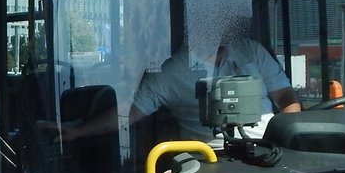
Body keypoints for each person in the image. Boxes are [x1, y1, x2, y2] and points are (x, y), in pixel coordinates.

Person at [56, 36, 300, 146]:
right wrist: (78, 131)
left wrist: (289, 139)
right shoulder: (170, 71)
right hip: (210, 159)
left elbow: (286, 98)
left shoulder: (251, 50)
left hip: (268, 151)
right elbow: (129, 112)